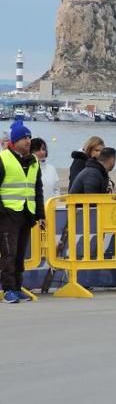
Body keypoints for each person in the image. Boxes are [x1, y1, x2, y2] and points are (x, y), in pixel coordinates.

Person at [0, 121, 45, 303]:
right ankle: (8, 290)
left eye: (29, 137)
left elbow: (37, 189)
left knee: (20, 254)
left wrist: (40, 214)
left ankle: (17, 287)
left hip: (26, 213)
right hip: (8, 214)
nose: (28, 141)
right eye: (24, 138)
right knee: (8, 254)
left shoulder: (33, 161)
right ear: (15, 140)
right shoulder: (3, 159)